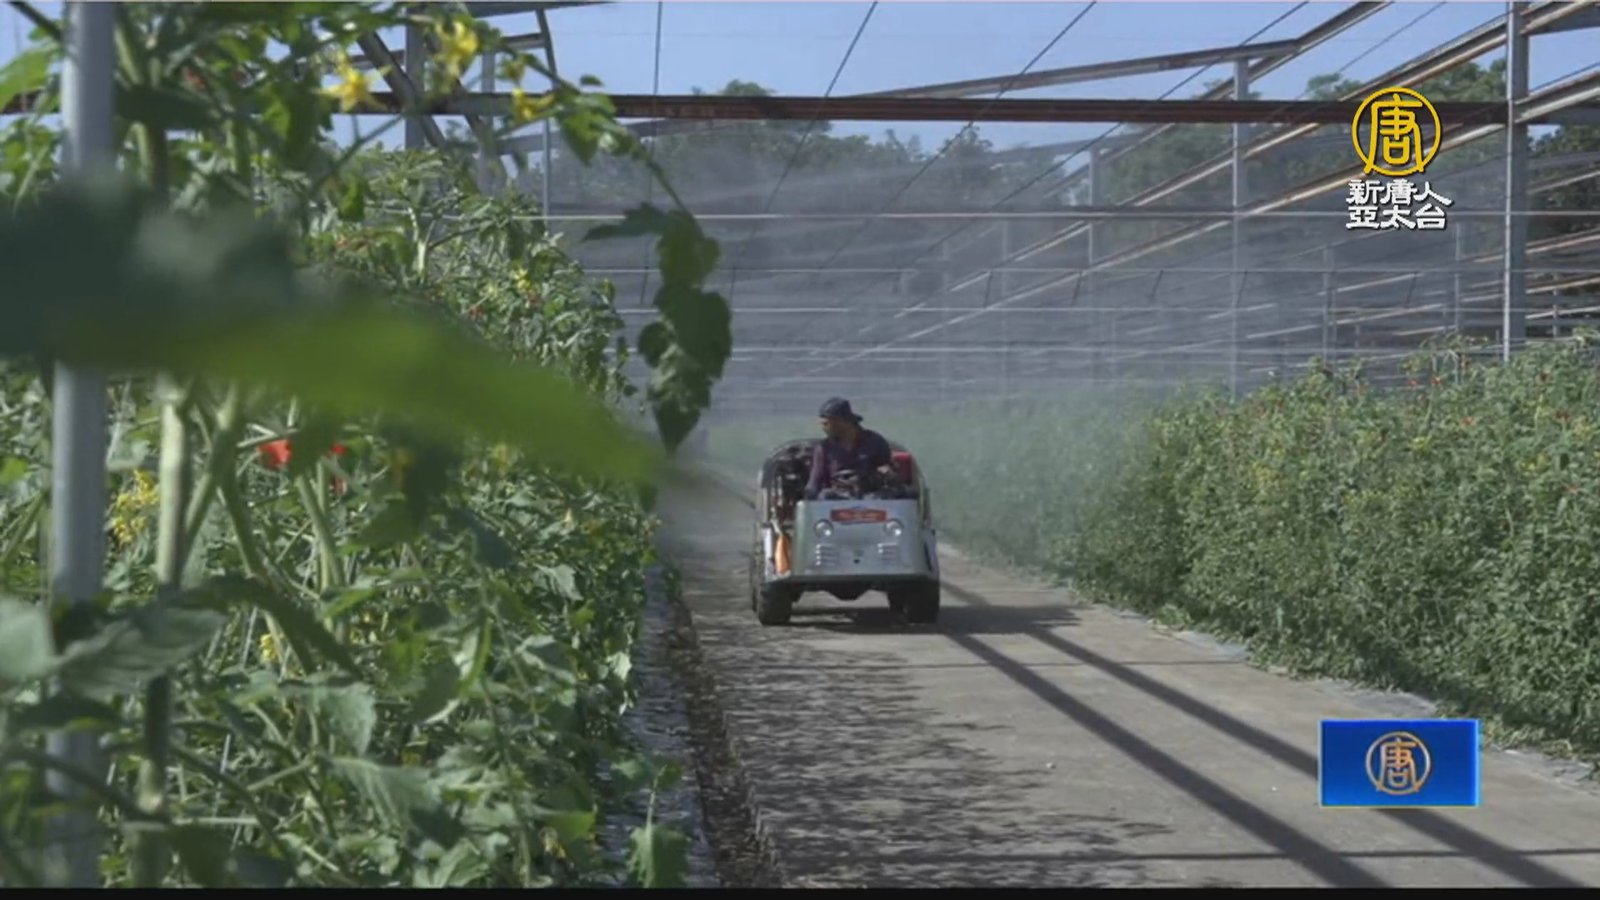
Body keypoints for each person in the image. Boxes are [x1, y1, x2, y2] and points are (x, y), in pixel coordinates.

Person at [804, 397, 894, 499]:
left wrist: (886, 473)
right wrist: (809, 495)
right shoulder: (824, 448)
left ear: (842, 422)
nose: (823, 428)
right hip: (836, 498)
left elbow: (888, 472)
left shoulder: (875, 442)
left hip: (870, 497)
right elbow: (815, 481)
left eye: (826, 424)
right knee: (825, 495)